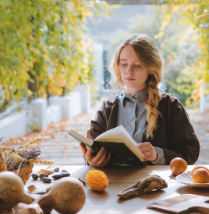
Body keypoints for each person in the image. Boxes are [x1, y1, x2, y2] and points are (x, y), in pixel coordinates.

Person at [80, 34, 200, 167]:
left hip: (157, 186)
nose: (129, 71)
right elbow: (93, 154)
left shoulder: (170, 106)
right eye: (124, 64)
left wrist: (157, 154)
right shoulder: (106, 109)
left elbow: (191, 152)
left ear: (151, 68)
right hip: (112, 185)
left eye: (137, 65)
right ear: (117, 66)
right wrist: (91, 161)